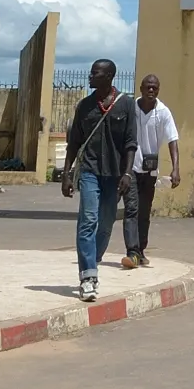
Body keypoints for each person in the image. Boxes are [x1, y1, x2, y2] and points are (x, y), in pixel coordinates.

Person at [61, 58, 134, 301]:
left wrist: (127, 173)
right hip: (90, 171)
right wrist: (67, 174)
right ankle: (88, 277)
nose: (90, 77)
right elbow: (74, 143)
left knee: (105, 224)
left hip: (114, 174)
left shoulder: (126, 105)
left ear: (109, 76)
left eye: (95, 73)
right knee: (88, 220)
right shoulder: (84, 106)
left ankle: (94, 258)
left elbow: (130, 144)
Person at [120, 72, 181, 272]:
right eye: (148, 87)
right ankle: (132, 251)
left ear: (158, 90)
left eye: (155, 87)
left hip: (150, 171)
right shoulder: (131, 108)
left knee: (144, 212)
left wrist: (176, 168)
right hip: (130, 168)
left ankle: (140, 250)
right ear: (141, 89)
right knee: (131, 209)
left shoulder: (163, 112)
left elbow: (172, 140)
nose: (151, 90)